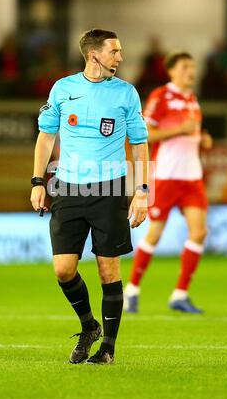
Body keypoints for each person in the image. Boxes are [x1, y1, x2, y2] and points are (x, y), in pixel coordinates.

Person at [30, 29, 149, 364]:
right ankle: (89, 326)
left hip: (110, 189)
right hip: (67, 188)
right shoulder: (63, 89)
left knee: (108, 271)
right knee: (63, 270)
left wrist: (142, 192)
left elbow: (140, 144)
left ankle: (108, 349)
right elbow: (45, 136)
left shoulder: (126, 94)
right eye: (115, 51)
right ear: (94, 54)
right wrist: (38, 181)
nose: (120, 58)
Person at [124, 51, 213, 314]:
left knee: (199, 232)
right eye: (185, 66)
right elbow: (146, 133)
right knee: (155, 234)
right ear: (172, 71)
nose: (191, 71)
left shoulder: (192, 100)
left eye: (193, 66)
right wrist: (179, 130)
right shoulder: (161, 96)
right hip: (166, 176)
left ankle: (180, 294)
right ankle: (131, 290)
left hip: (192, 177)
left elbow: (190, 133)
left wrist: (203, 138)